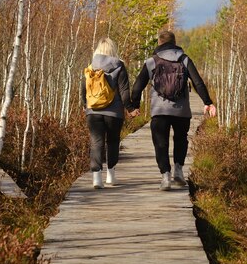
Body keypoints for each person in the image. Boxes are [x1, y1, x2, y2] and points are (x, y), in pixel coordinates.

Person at [131, 30, 217, 190]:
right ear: (175, 42)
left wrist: (134, 106)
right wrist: (207, 102)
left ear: (159, 43)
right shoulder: (184, 59)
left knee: (160, 143)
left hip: (159, 110)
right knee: (181, 139)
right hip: (181, 110)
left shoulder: (151, 61)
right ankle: (178, 170)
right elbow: (198, 82)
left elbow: (137, 86)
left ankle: (165, 177)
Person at [82, 37, 135, 189]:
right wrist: (130, 108)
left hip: (93, 111)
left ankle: (96, 177)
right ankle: (111, 175)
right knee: (112, 142)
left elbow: (84, 89)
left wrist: (85, 105)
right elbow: (124, 91)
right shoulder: (119, 65)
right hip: (114, 113)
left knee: (96, 142)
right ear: (112, 49)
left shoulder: (91, 66)